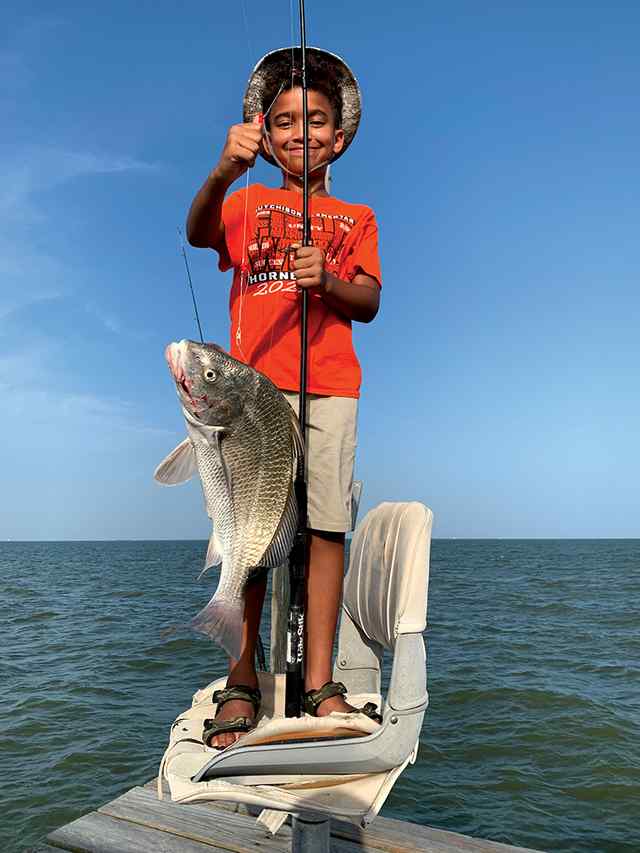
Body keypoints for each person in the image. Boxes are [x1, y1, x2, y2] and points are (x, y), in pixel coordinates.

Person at [186, 47, 382, 749]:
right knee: (250, 532)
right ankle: (242, 678)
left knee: (328, 526)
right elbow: (197, 232)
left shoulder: (356, 215)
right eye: (287, 121)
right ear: (264, 134)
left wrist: (328, 280)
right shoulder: (245, 200)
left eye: (317, 121)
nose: (303, 132)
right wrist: (221, 170)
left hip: (331, 386)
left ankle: (321, 681)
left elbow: (370, 301)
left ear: (339, 135)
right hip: (251, 393)